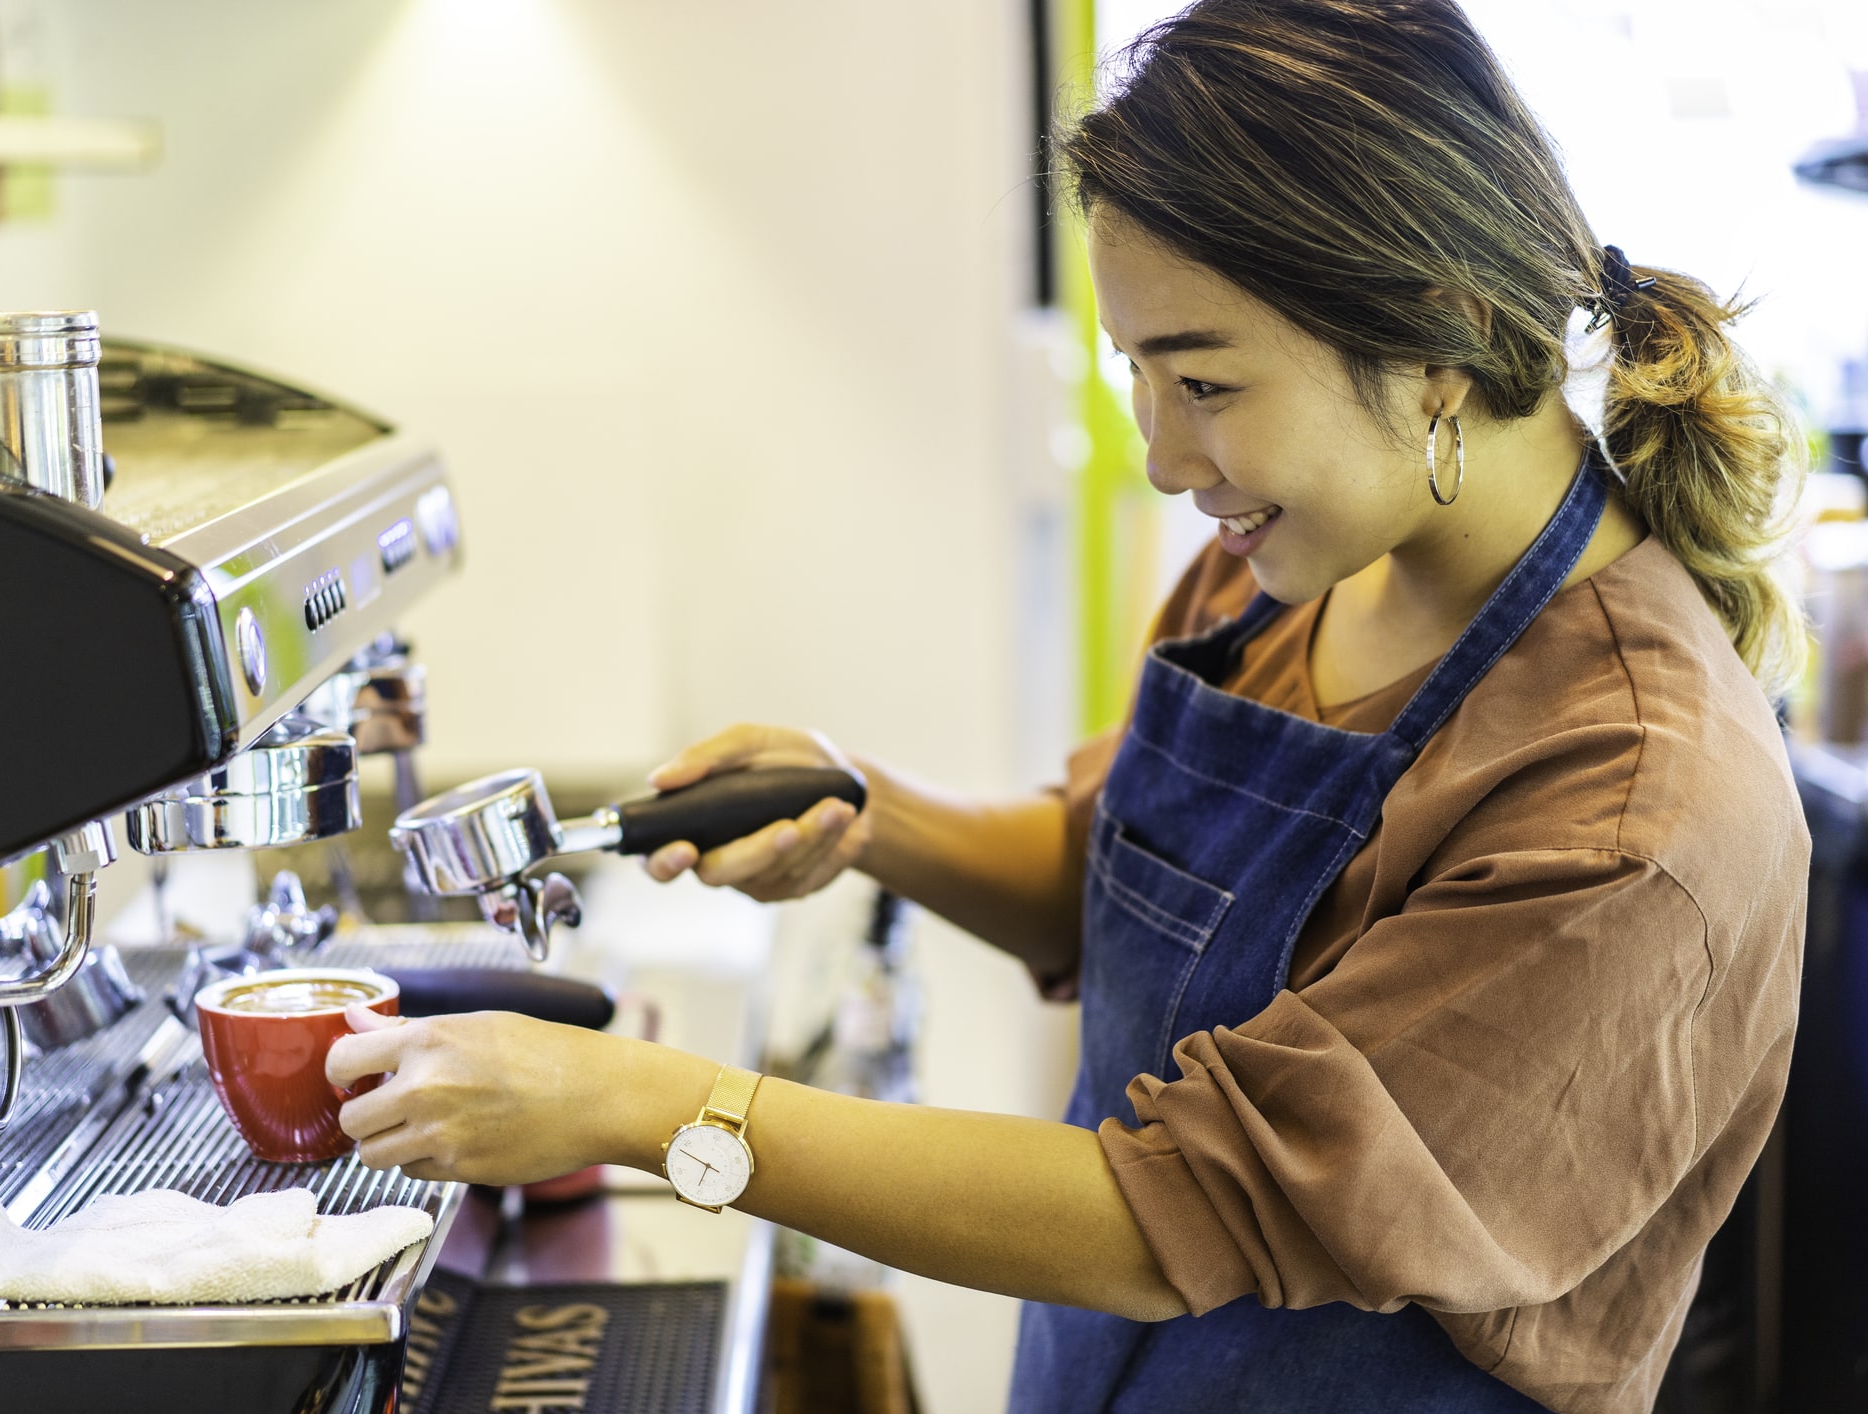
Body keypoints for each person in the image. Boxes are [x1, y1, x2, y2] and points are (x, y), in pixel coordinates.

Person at [327, 1, 1808, 1408]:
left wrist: (642, 1105)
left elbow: (1168, 1207)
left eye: (1205, 383)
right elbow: (1116, 882)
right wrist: (863, 807)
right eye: (1136, 377)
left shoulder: (1632, 803)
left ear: (1436, 337)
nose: (1165, 456)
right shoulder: (1287, 572)